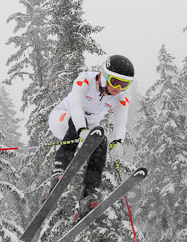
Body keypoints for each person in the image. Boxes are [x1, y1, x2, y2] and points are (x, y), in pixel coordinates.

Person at [47, 54, 134, 219]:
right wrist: (81, 129)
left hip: (88, 129)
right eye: (115, 82)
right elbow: (76, 106)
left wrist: (118, 142)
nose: (118, 88)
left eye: (125, 84)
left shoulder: (121, 96)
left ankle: (88, 195)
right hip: (62, 119)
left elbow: (120, 121)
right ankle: (58, 170)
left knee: (101, 142)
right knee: (78, 120)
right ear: (104, 76)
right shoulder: (85, 80)